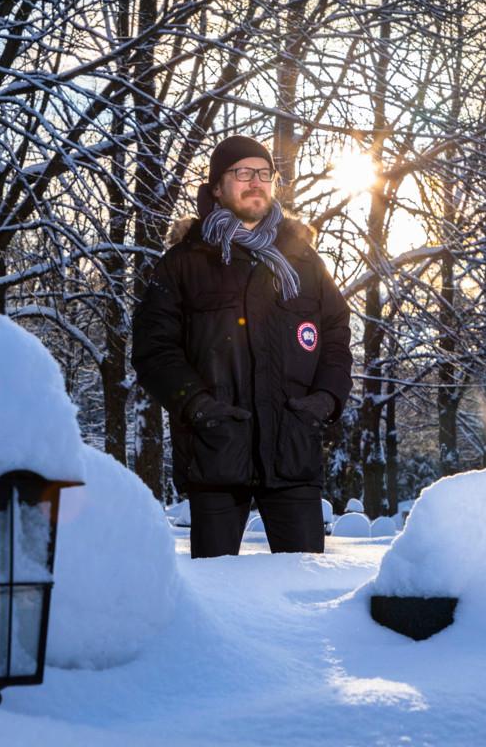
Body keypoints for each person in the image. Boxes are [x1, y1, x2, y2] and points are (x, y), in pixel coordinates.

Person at [131, 135, 352, 558]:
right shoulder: (184, 263)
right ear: (217, 187)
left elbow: (337, 335)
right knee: (216, 599)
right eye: (243, 173)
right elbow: (153, 349)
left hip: (292, 452)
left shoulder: (305, 263)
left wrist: (325, 399)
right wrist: (197, 406)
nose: (256, 182)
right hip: (215, 452)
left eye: (264, 174)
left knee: (303, 593)